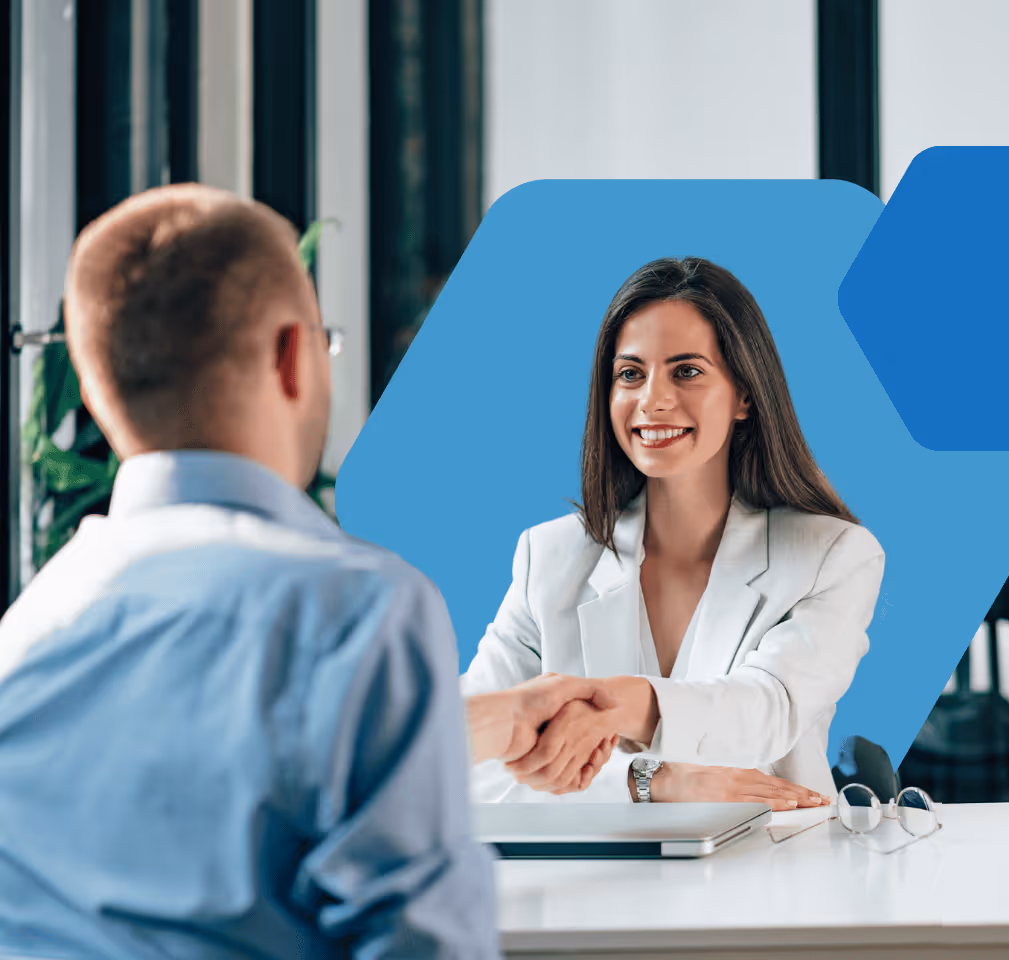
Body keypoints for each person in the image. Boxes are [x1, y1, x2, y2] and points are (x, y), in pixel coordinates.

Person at [0, 184, 612, 960]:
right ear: (292, 356)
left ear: (92, 390)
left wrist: (493, 722)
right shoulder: (359, 614)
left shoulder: (30, 629)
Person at [461, 256, 886, 809]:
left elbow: (769, 709)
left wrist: (614, 704)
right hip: (593, 867)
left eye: (686, 371)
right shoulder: (548, 557)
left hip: (773, 859)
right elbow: (463, 762)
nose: (652, 400)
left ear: (744, 395)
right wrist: (646, 782)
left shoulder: (832, 557)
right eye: (630, 374)